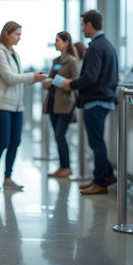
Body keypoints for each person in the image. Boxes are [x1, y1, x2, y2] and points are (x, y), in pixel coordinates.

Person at [61, 10, 118, 195]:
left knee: (96, 143)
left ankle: (101, 182)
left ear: (90, 25)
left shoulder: (95, 47)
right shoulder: (107, 45)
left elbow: (90, 77)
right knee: (97, 141)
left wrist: (71, 84)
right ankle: (106, 175)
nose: (82, 28)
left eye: (83, 24)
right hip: (105, 99)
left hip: (96, 101)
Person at [0, 21, 46, 192]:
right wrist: (31, 76)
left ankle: (8, 178)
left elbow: (18, 79)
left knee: (15, 141)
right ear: (6, 33)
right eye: (17, 34)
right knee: (3, 140)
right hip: (1, 103)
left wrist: (34, 79)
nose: (19, 38)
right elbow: (10, 78)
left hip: (16, 105)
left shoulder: (14, 54)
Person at [42, 31, 79, 178]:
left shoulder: (72, 61)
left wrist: (63, 83)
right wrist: (47, 82)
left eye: (58, 40)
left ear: (66, 42)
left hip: (65, 103)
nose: (56, 43)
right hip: (52, 101)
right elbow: (49, 79)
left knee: (60, 135)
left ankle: (67, 167)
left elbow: (75, 81)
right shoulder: (56, 61)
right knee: (57, 136)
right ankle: (62, 166)